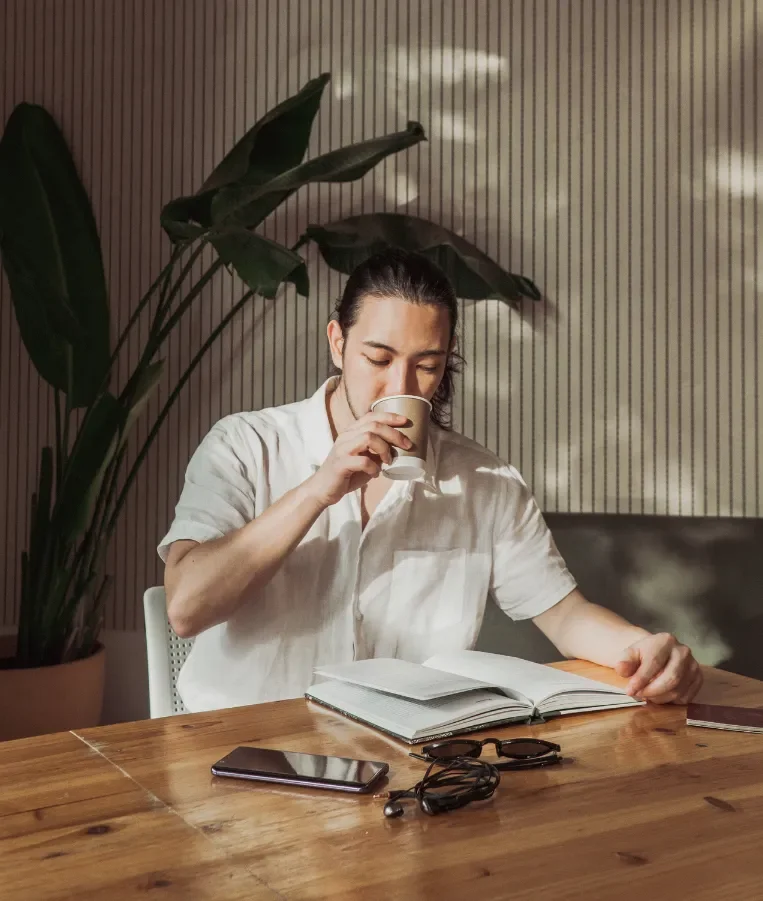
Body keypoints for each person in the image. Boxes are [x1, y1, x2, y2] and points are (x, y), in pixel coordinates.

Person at [160, 248, 702, 713]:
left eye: (428, 364)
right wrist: (317, 491)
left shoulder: (485, 481)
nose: (402, 385)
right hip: (242, 752)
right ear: (337, 343)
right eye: (378, 357)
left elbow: (564, 613)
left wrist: (647, 648)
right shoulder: (245, 444)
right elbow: (187, 609)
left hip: (402, 758)